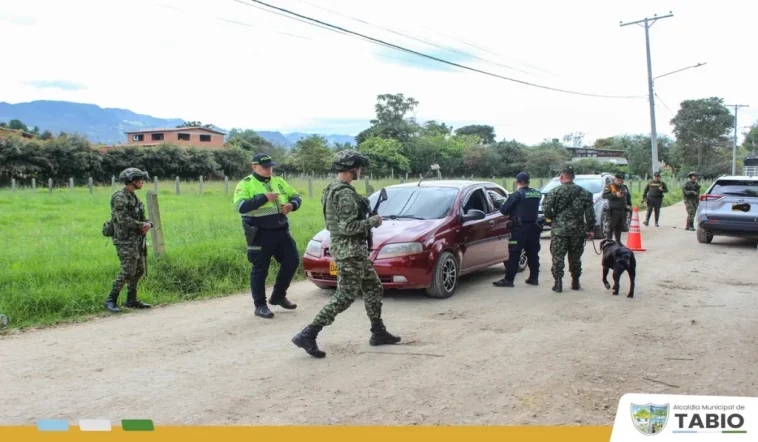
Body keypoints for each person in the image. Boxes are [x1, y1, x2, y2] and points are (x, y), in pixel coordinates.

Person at [292, 150, 400, 358]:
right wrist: (373, 221)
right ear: (353, 168)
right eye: (359, 168)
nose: (360, 171)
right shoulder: (344, 193)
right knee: (344, 296)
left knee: (373, 287)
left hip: (352, 251)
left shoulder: (332, 188)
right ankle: (308, 333)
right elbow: (348, 227)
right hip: (350, 251)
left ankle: (378, 332)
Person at [233, 153, 302, 319]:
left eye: (270, 166)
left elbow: (296, 196)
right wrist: (264, 198)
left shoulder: (278, 181)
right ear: (254, 167)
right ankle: (260, 305)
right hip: (259, 233)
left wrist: (292, 205)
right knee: (260, 269)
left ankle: (278, 296)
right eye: (265, 167)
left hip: (281, 230)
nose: (269, 169)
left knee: (292, 261)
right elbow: (241, 206)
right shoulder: (246, 184)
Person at [104, 167, 153, 313]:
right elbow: (122, 219)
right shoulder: (120, 197)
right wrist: (141, 225)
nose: (142, 182)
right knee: (127, 271)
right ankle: (110, 300)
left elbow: (139, 217)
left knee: (138, 270)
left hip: (136, 239)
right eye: (140, 180)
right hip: (125, 240)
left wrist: (147, 223)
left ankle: (131, 300)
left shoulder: (133, 197)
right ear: (133, 181)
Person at [541, 165, 595, 293]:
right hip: (577, 231)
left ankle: (558, 283)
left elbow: (546, 210)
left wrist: (552, 218)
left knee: (558, 256)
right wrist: (590, 229)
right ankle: (575, 281)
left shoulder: (554, 192)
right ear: (573, 177)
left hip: (559, 231)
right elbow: (590, 214)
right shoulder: (585, 193)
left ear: (561, 177)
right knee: (575, 257)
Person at [492, 172, 541, 287]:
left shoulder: (516, 195)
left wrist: (499, 204)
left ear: (517, 182)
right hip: (534, 228)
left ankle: (509, 280)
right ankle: (534, 278)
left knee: (514, 253)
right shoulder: (537, 193)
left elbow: (504, 210)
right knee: (533, 253)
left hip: (518, 230)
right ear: (528, 181)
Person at [602, 172, 632, 244]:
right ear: (615, 179)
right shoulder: (610, 186)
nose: (620, 182)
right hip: (613, 210)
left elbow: (628, 197)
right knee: (611, 227)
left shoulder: (624, 187)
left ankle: (618, 241)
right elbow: (604, 196)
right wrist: (615, 195)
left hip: (622, 210)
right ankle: (609, 242)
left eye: (622, 180)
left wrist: (629, 205)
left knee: (619, 227)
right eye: (618, 180)